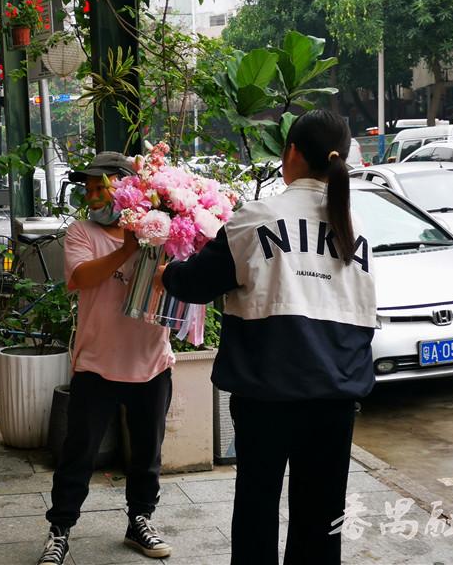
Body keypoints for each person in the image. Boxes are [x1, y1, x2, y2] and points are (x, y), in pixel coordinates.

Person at [157, 110, 377, 565]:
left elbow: (197, 282)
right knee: (321, 522)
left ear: (291, 153)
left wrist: (166, 275)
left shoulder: (256, 219)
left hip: (266, 394)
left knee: (256, 508)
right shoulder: (358, 232)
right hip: (335, 396)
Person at [36, 151, 174, 565]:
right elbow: (80, 278)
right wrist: (126, 248)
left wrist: (158, 245)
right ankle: (60, 530)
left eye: (102, 187)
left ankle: (140, 521)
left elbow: (177, 281)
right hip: (96, 364)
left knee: (147, 454)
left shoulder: (163, 230)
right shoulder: (81, 233)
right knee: (78, 453)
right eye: (89, 189)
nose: (93, 196)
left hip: (151, 362)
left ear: (129, 191)